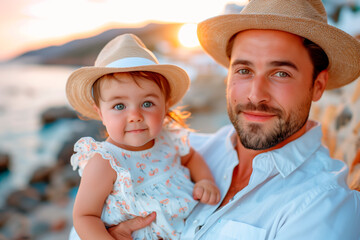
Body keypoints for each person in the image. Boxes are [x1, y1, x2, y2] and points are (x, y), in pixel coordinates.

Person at [108, 0, 360, 239]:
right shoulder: (185, 151)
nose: (255, 94)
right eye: (244, 70)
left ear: (317, 85)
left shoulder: (323, 204)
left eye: (281, 73)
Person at [66, 33, 220, 240]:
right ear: (101, 114)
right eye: (119, 106)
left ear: (165, 107)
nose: (135, 116)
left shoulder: (169, 140)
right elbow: (85, 216)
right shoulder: (106, 162)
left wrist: (205, 180)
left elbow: (191, 157)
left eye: (147, 103)